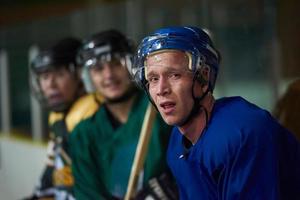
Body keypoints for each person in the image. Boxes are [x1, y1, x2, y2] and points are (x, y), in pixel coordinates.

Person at [130, 26, 300, 199]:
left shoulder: (243, 132)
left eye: (174, 75)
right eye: (153, 79)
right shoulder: (177, 142)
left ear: (204, 77)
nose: (161, 89)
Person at [69, 29, 176, 200]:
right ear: (88, 77)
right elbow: (87, 194)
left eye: (116, 64)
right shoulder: (82, 135)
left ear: (132, 64)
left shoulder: (163, 109)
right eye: (98, 69)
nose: (109, 75)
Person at [26, 37, 100, 200]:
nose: (51, 84)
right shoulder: (57, 117)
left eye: (59, 74)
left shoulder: (93, 111)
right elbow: (54, 174)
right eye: (45, 77)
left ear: (80, 75)